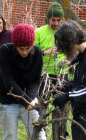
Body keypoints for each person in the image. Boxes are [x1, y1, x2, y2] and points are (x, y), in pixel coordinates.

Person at [0, 23, 46, 140]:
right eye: (21, 49)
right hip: (8, 101)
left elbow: (36, 79)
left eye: (28, 48)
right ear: (15, 45)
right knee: (10, 137)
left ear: (32, 45)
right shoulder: (5, 50)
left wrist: (29, 100)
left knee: (40, 136)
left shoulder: (38, 52)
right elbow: (8, 81)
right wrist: (27, 101)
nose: (24, 52)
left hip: (29, 99)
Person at [34, 2, 69, 139]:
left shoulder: (65, 33)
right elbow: (30, 53)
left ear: (62, 20)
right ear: (48, 18)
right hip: (44, 76)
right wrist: (45, 52)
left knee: (61, 108)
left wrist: (67, 60)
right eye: (53, 20)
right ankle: (40, 135)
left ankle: (59, 135)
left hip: (62, 75)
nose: (55, 23)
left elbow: (71, 52)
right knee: (42, 108)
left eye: (58, 20)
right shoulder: (39, 32)